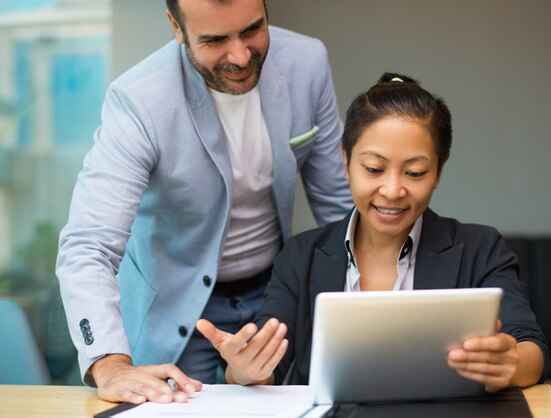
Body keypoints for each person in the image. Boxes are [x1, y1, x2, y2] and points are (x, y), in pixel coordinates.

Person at [55, 0, 352, 404]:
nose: (241, 56)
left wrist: (374, 307)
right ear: (177, 28)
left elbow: (340, 209)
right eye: (215, 40)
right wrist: (109, 363)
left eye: (252, 30)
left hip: (275, 293)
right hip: (173, 305)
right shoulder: (138, 99)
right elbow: (88, 245)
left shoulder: (307, 62)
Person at [198, 73, 549, 391]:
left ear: (439, 170)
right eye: (374, 168)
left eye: (414, 173)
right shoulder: (300, 256)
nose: (393, 190)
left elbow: (531, 348)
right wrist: (244, 368)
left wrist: (510, 362)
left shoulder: (480, 248)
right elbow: (269, 364)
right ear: (345, 160)